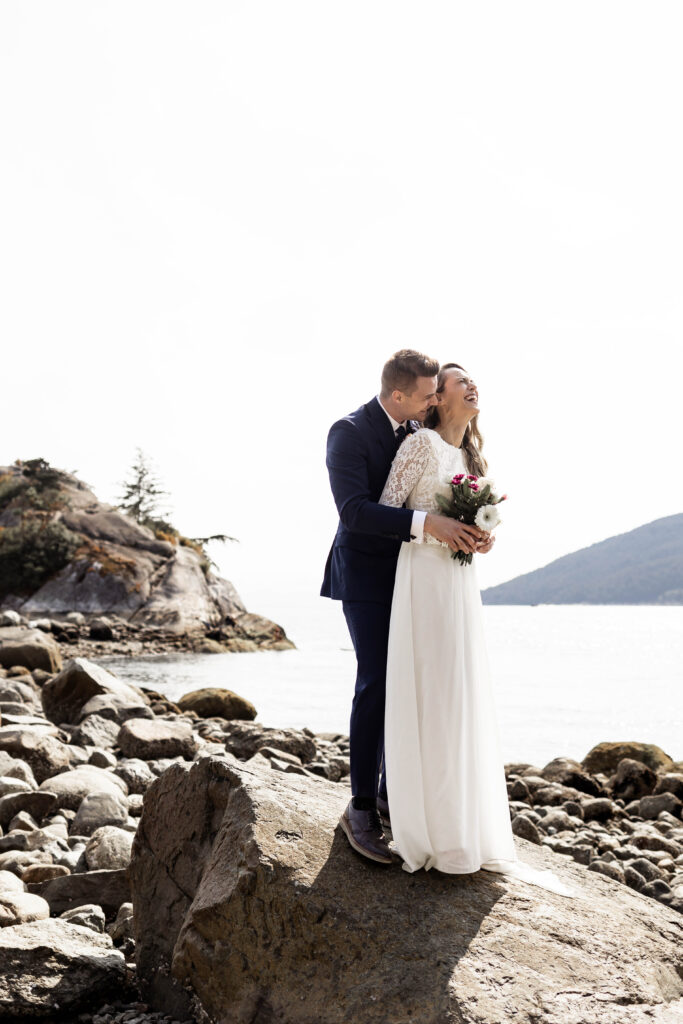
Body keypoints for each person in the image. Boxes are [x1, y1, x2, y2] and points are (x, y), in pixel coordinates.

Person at [379, 362, 578, 897]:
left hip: (459, 586)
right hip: (422, 579)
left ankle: (465, 826)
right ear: (436, 399)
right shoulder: (418, 446)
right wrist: (437, 533)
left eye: (474, 380)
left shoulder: (471, 457)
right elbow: (386, 514)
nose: (472, 385)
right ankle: (431, 831)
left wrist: (480, 537)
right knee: (433, 695)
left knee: (461, 698)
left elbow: (475, 520)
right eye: (458, 380)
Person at [321, 350, 487, 865]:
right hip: (367, 574)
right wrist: (428, 525)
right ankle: (362, 808)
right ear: (399, 396)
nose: (435, 399)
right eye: (427, 394)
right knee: (376, 680)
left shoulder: (431, 436)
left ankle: (397, 795)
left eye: (439, 390)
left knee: (414, 681)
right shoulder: (348, 432)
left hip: (418, 579)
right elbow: (354, 513)